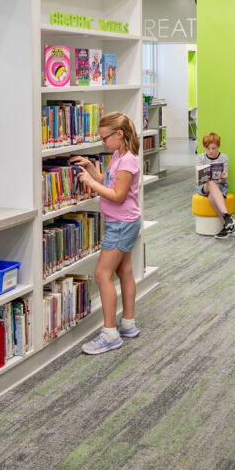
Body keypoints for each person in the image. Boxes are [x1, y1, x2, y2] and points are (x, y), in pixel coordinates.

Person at [71, 111, 142, 355]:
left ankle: (110, 333)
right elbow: (108, 181)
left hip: (121, 224)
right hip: (123, 222)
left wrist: (91, 185)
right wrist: (91, 168)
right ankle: (128, 324)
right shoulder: (117, 155)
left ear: (119, 134)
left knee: (102, 274)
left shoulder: (129, 161)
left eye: (105, 138)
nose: (103, 142)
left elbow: (118, 195)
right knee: (124, 270)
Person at [194, 131, 235, 239]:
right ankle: (227, 216)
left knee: (212, 197)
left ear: (218, 146)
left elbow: (223, 181)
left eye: (214, 148)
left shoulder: (224, 158)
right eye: (208, 148)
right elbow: (200, 178)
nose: (211, 151)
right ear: (204, 147)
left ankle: (227, 226)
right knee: (210, 182)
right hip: (204, 186)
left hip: (220, 185)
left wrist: (223, 178)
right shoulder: (200, 158)